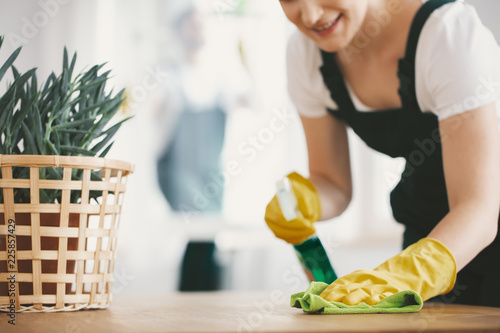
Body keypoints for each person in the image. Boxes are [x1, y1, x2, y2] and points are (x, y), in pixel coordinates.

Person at [265, 0, 500, 307]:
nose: (309, 15)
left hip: (473, 229)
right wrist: (304, 200)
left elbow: (479, 208)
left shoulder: (447, 35)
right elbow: (333, 182)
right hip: (430, 235)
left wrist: (410, 275)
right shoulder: (308, 54)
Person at [154, 3, 250, 291]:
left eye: (201, 23)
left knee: (207, 237)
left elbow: (253, 102)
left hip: (211, 172)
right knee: (197, 233)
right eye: (192, 24)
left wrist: (248, 56)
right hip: (178, 170)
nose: (198, 29)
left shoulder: (218, 76)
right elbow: (149, 114)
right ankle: (199, 300)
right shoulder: (169, 74)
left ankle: (198, 300)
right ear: (179, 31)